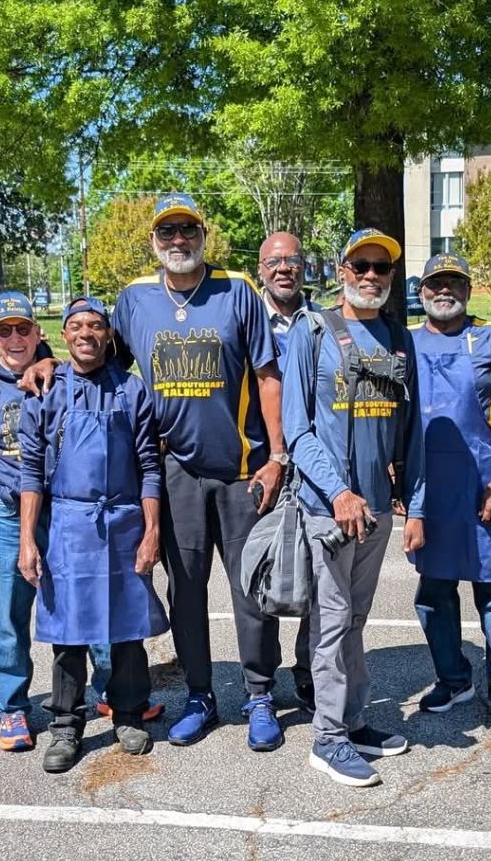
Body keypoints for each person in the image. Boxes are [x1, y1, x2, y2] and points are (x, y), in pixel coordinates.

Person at [25, 195, 290, 751]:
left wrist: (276, 456)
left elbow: (268, 376)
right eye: (166, 232)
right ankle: (200, 695)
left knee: (250, 589)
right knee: (186, 592)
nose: (177, 240)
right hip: (175, 472)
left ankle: (260, 694)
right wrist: (45, 359)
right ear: (154, 242)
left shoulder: (237, 291)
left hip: (240, 467)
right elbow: (94, 353)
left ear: (202, 235)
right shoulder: (134, 299)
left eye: (187, 230)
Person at [282, 229, 426, 787]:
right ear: (342, 270)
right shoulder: (311, 331)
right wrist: (338, 492)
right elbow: (297, 429)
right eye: (360, 266)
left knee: (356, 620)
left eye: (381, 268)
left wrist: (414, 505)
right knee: (332, 621)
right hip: (327, 507)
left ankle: (354, 718)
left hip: (376, 511)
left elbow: (408, 429)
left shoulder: (396, 337)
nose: (371, 276)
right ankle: (328, 738)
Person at [17, 297, 169, 773]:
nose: (86, 333)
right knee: (68, 632)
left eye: (96, 326)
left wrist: (151, 532)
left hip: (124, 522)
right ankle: (66, 725)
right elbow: (30, 473)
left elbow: (149, 465)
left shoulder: (132, 390)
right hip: (68, 525)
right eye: (76, 326)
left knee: (127, 628)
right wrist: (27, 540)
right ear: (63, 335)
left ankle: (128, 712)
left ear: (108, 335)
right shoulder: (45, 391)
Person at [410, 254, 491, 739]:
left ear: (467, 288)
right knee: (434, 593)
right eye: (436, 283)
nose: (445, 291)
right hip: (429, 490)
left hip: (484, 486)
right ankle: (453, 678)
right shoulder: (406, 343)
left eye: (454, 283)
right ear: (422, 291)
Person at [0, 291, 52, 752]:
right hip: (3, 511)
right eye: (5, 330)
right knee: (8, 616)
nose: (16, 338)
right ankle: (13, 707)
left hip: (60, 510)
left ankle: (104, 691)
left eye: (24, 329)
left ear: (38, 332)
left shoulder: (61, 373)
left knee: (79, 602)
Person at [257, 230, 319, 709]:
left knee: (315, 578)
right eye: (275, 261)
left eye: (292, 260)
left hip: (315, 464)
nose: (284, 268)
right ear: (261, 268)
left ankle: (309, 669)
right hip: (258, 465)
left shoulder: (322, 322)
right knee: (266, 571)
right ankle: (261, 679)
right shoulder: (245, 315)